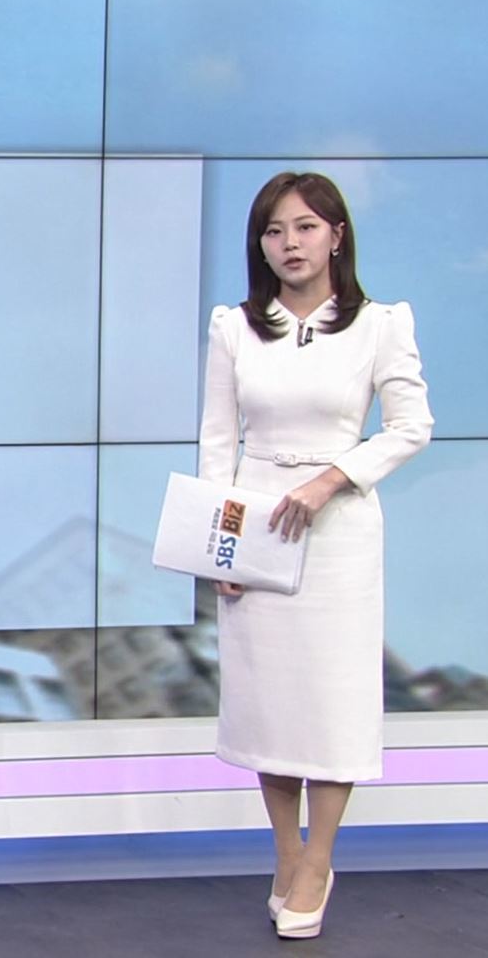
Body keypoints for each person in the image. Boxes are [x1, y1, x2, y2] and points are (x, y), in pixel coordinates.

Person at [197, 171, 433, 939]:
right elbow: (217, 445)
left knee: (331, 699)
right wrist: (222, 543)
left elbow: (411, 426)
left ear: (336, 235)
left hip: (338, 530)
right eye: (274, 230)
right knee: (271, 700)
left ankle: (319, 859)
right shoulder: (235, 328)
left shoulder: (380, 325)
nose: (289, 243)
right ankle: (287, 852)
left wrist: (333, 478)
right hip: (259, 521)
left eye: (304, 227)